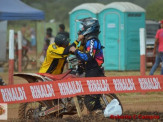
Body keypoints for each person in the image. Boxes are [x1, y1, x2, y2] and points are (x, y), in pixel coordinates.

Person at [69, 17, 104, 114]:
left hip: (94, 71)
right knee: (88, 97)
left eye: (83, 27)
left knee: (90, 100)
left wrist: (75, 51)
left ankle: (100, 114)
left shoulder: (92, 40)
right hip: (90, 69)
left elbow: (88, 56)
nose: (81, 29)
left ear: (89, 28)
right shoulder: (88, 40)